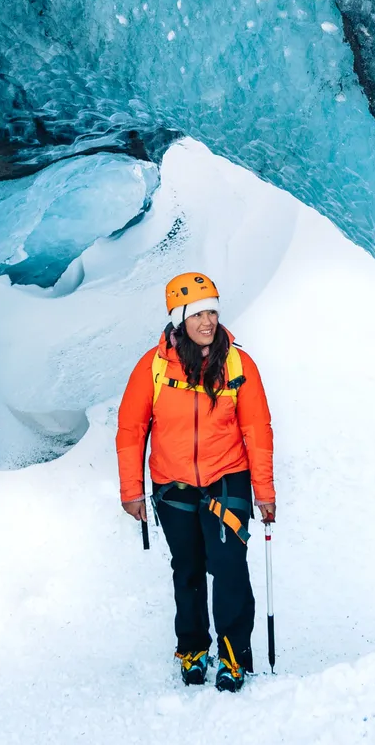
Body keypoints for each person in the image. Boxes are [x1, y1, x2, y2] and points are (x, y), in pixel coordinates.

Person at [116, 271, 275, 692]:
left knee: (229, 569)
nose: (208, 321)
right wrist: (131, 491)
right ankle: (192, 648)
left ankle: (233, 655)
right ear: (178, 319)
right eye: (198, 313)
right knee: (186, 569)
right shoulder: (153, 367)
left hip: (228, 480)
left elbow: (257, 430)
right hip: (174, 487)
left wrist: (264, 492)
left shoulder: (238, 364)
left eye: (213, 312)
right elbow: (131, 429)